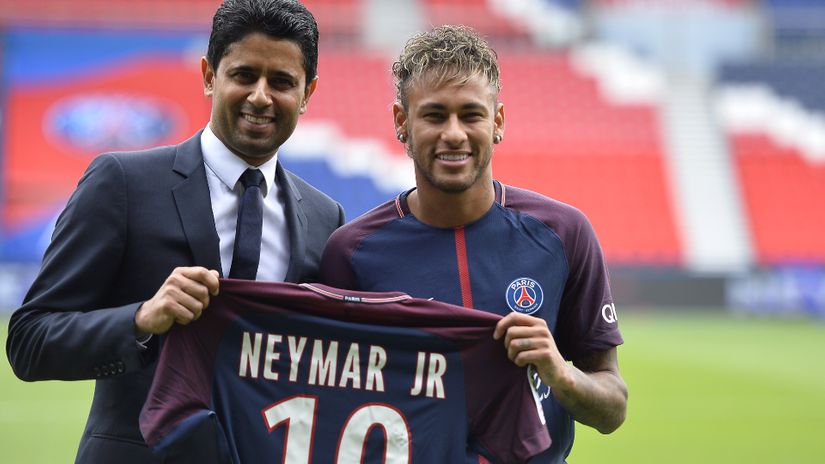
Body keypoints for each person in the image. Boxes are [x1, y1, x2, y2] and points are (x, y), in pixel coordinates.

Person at [5, 0, 344, 462]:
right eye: (244, 75)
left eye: (282, 82)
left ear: (308, 93)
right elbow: (30, 341)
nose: (261, 96)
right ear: (209, 75)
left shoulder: (326, 219)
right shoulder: (122, 183)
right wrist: (141, 319)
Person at [319, 25, 627, 462]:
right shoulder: (350, 253)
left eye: (471, 114)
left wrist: (560, 373)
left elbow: (612, 407)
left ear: (497, 122)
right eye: (434, 115)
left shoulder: (564, 233)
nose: (454, 133)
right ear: (401, 123)